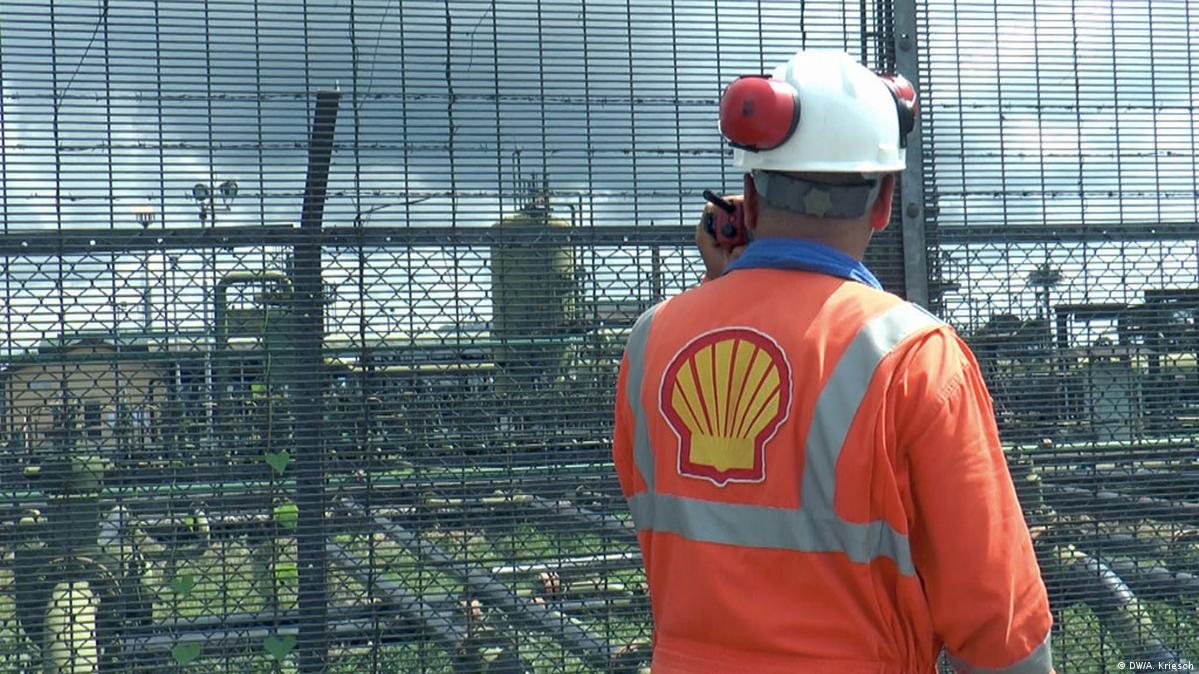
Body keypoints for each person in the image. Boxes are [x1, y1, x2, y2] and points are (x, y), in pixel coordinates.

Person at [611, 49, 1053, 674]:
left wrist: (730, 289)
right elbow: (999, 628)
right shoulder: (916, 358)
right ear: (884, 202)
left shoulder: (651, 341)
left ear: (749, 198)